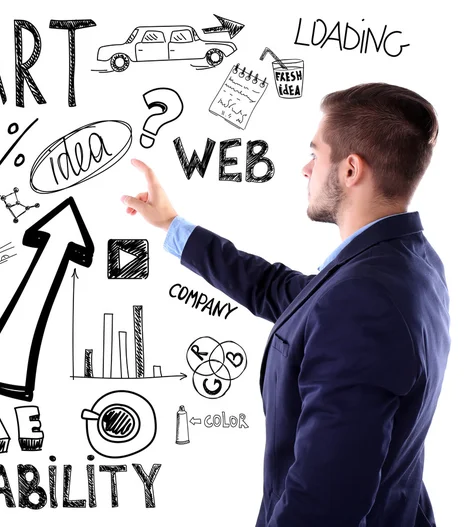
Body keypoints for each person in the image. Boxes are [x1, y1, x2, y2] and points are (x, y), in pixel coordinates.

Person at [121, 83, 450, 527]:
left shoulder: (363, 300)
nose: (305, 168)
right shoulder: (409, 260)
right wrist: (172, 227)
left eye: (316, 153)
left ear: (351, 169)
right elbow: (279, 290)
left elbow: (324, 504)